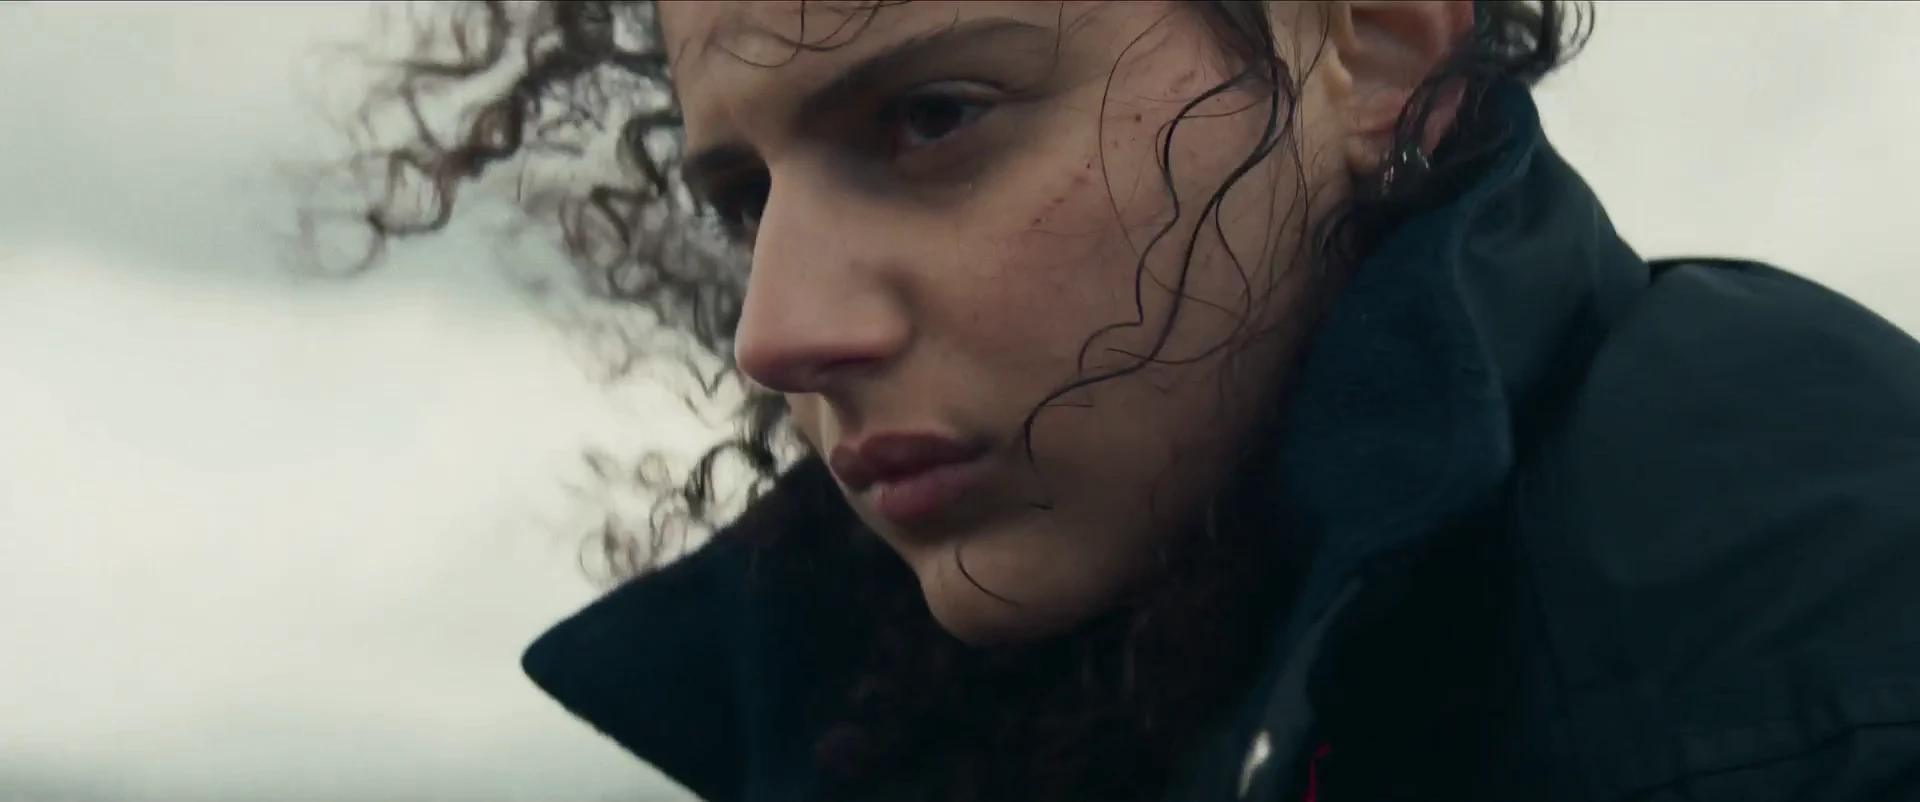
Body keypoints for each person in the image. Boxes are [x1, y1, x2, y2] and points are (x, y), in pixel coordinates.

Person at [333, 1, 1920, 800]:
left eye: (933, 117)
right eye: (748, 197)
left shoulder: (1819, 655)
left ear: (1375, 44)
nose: (778, 332)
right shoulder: (946, 690)